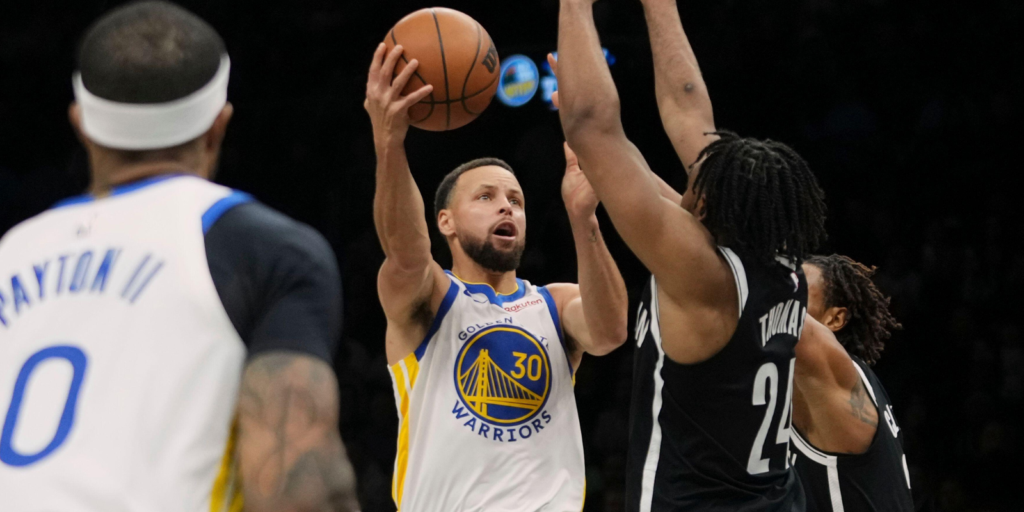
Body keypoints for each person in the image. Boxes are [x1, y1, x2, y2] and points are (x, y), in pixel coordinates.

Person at [0, 2, 357, 511]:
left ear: (81, 125)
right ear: (219, 124)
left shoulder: (12, 251)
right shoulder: (263, 250)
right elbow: (300, 494)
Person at [552, 0, 828, 509]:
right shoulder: (780, 261)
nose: (692, 176)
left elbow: (590, 124)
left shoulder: (704, 276)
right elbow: (688, 110)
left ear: (712, 209)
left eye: (701, 182)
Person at [364, 41, 629, 511]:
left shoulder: (555, 304)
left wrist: (585, 216)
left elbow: (609, 332)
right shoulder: (431, 297)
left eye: (516, 199)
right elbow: (405, 254)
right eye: (485, 197)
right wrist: (390, 144)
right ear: (445, 221)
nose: (507, 205)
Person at [792, 254, 913, 511]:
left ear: (835, 319)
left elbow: (770, 305)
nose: (787, 294)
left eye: (797, 289)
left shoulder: (837, 373)